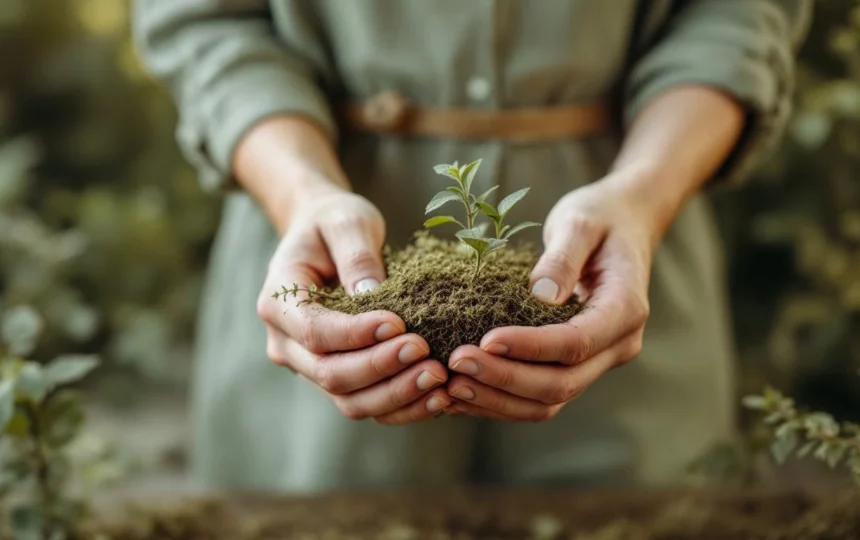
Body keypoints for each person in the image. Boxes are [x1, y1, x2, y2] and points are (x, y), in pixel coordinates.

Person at [133, 0, 811, 492]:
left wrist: (641, 195)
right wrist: (303, 194)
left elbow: (738, 16)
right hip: (319, 302)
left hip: (622, 286)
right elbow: (208, 21)